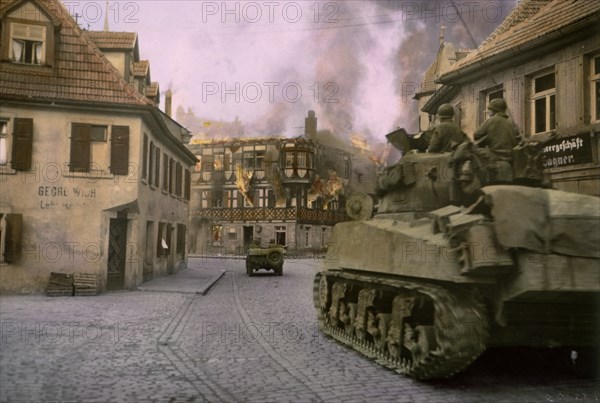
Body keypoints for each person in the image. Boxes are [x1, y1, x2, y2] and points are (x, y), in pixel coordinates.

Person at [473, 98, 519, 183]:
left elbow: (476, 135)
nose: (489, 112)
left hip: (495, 155)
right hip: (510, 158)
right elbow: (517, 139)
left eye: (489, 109)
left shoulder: (491, 121)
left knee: (471, 151)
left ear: (495, 110)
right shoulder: (512, 124)